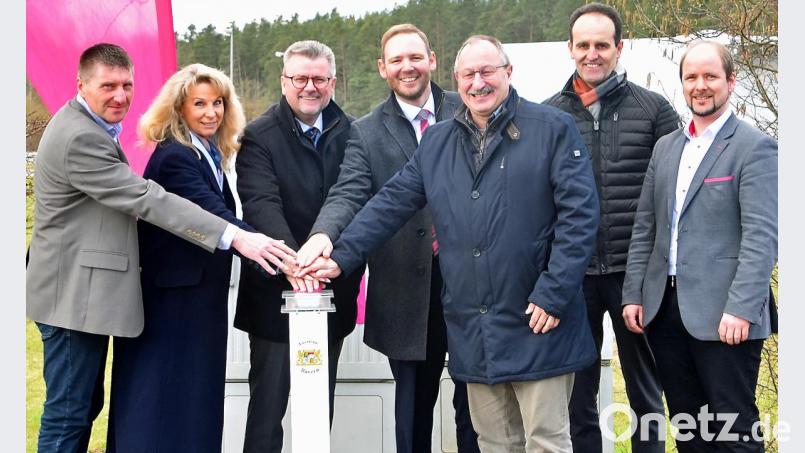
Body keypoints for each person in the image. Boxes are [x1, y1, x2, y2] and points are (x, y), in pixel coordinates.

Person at [300, 35, 600, 452]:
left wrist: (553, 293)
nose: (478, 83)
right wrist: (341, 255)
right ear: (456, 80)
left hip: (537, 317)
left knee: (546, 441)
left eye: (487, 71)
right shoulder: (438, 142)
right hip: (474, 325)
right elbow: (389, 203)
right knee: (495, 442)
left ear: (508, 73)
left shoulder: (552, 128)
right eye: (468, 75)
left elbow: (580, 218)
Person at [26, 43, 293, 453]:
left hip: (85, 295)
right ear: (81, 84)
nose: (120, 95)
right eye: (108, 86)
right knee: (68, 414)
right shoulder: (81, 136)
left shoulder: (92, 128)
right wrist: (238, 237)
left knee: (82, 407)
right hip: (71, 297)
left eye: (127, 85)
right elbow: (148, 198)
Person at [295, 23, 480, 453]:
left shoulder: (470, 108)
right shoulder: (366, 131)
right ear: (382, 68)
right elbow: (349, 192)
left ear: (432, 60)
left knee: (477, 404)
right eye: (396, 60)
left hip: (472, 282)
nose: (407, 67)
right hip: (405, 290)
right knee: (413, 410)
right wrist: (324, 235)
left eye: (415, 57)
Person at [622, 40, 777, 452]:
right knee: (689, 430)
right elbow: (646, 229)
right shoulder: (666, 147)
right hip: (665, 313)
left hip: (726, 316)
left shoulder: (755, 148)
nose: (700, 85)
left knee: (734, 432)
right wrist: (634, 293)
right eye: (691, 77)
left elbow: (761, 238)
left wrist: (741, 308)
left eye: (710, 76)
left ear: (731, 80)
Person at [542, 4, 680, 451]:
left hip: (633, 276)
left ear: (620, 48)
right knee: (578, 397)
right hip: (573, 277)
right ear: (570, 49)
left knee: (645, 395)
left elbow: (673, 196)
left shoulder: (655, 110)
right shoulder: (547, 117)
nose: (593, 54)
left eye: (602, 45)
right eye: (583, 45)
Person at [106, 63, 254, 452]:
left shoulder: (207, 153)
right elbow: (212, 214)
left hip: (197, 297)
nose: (211, 112)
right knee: (161, 397)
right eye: (199, 104)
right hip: (172, 302)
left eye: (218, 103)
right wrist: (266, 249)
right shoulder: (175, 157)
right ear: (179, 109)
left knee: (191, 396)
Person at [233, 40, 363, 453]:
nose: (310, 87)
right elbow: (260, 204)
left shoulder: (354, 131)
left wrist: (324, 264)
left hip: (331, 290)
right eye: (300, 78)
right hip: (274, 294)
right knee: (268, 410)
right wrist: (296, 265)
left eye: (319, 79)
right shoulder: (258, 136)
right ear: (283, 81)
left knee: (317, 407)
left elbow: (355, 198)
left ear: (333, 82)